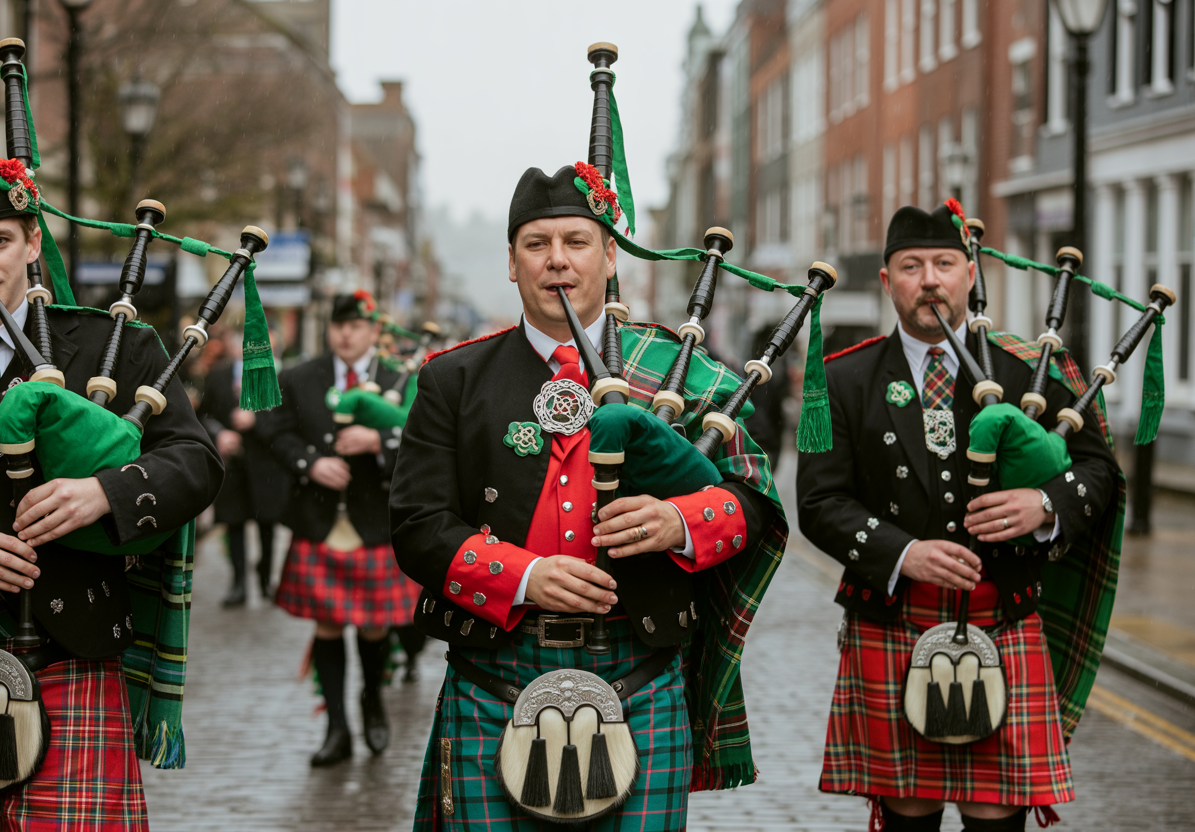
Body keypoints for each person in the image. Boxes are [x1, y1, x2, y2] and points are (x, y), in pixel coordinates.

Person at [390, 165, 787, 830]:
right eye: (536, 244)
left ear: (609, 255)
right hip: (496, 674)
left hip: (640, 671)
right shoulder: (452, 380)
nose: (557, 261)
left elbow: (754, 504)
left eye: (576, 241)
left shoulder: (681, 372)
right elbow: (416, 525)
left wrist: (677, 520)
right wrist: (526, 576)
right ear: (512, 265)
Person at [797, 202, 1121, 831]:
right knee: (908, 809)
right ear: (887, 282)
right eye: (912, 266)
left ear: (970, 274)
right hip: (893, 617)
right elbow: (818, 502)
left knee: (995, 811)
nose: (930, 280)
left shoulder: (1031, 370)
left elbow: (1099, 473)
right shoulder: (844, 378)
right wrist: (902, 553)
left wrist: (1043, 503)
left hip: (1002, 612)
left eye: (945, 264)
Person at [0, 161, 223, 828]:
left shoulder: (112, 346)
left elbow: (195, 462)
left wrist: (105, 493)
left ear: (33, 243)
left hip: (71, 651)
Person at [256, 292, 421, 765]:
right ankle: (336, 728)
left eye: (355, 325)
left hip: (375, 523)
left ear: (374, 330)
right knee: (327, 627)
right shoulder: (300, 377)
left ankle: (372, 700)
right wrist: (310, 463)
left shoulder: (399, 377)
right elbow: (276, 432)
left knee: (373, 628)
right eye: (338, 325)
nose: (345, 333)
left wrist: (380, 440)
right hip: (319, 520)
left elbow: (423, 436)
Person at [198, 326, 288, 605]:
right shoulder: (218, 376)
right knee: (234, 523)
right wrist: (219, 434)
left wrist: (256, 421)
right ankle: (238, 584)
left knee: (267, 525)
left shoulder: (280, 377)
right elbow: (203, 415)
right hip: (233, 465)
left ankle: (265, 579)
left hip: (266, 465)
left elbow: (286, 422)